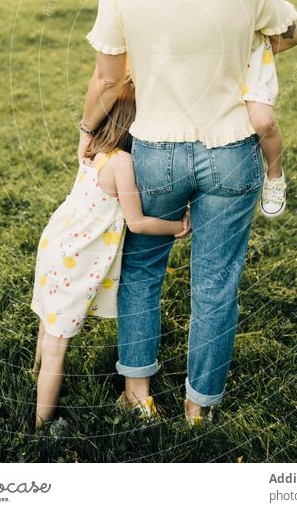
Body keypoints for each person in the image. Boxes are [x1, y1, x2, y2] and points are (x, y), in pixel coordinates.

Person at [80, 0, 297, 424]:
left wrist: (87, 134)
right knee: (216, 282)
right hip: (231, 150)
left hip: (155, 151)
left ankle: (138, 394)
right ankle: (198, 407)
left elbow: (107, 79)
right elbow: (289, 33)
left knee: (143, 271)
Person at [31, 75, 190, 431]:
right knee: (59, 348)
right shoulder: (122, 164)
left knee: (48, 321)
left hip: (54, 244)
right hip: (74, 261)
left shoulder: (88, 149)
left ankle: (32, 371)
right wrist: (177, 225)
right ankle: (40, 427)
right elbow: (137, 223)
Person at [138, 0, 291, 218]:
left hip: (250, 56)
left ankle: (275, 173)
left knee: (262, 120)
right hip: (207, 65)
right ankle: (194, 194)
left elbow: (289, 33)